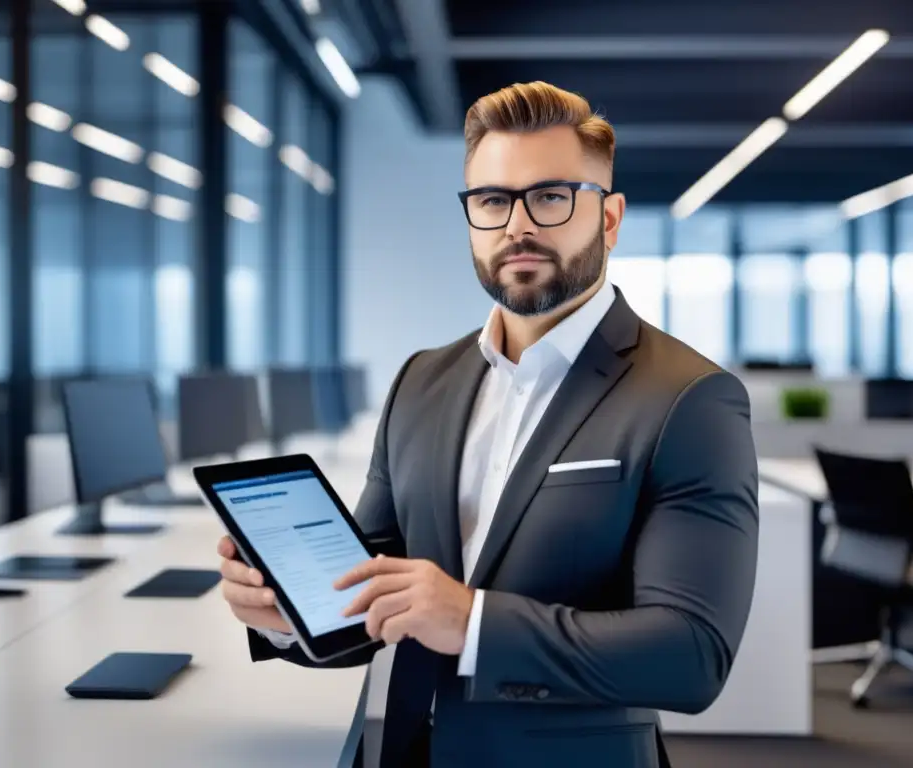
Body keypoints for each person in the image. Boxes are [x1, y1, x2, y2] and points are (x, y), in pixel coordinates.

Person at [218, 80, 759, 768]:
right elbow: (376, 594)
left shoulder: (689, 398)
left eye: (552, 196)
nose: (518, 225)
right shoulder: (422, 381)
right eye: (493, 200)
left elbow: (690, 655)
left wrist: (473, 623)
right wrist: (290, 617)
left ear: (611, 219)